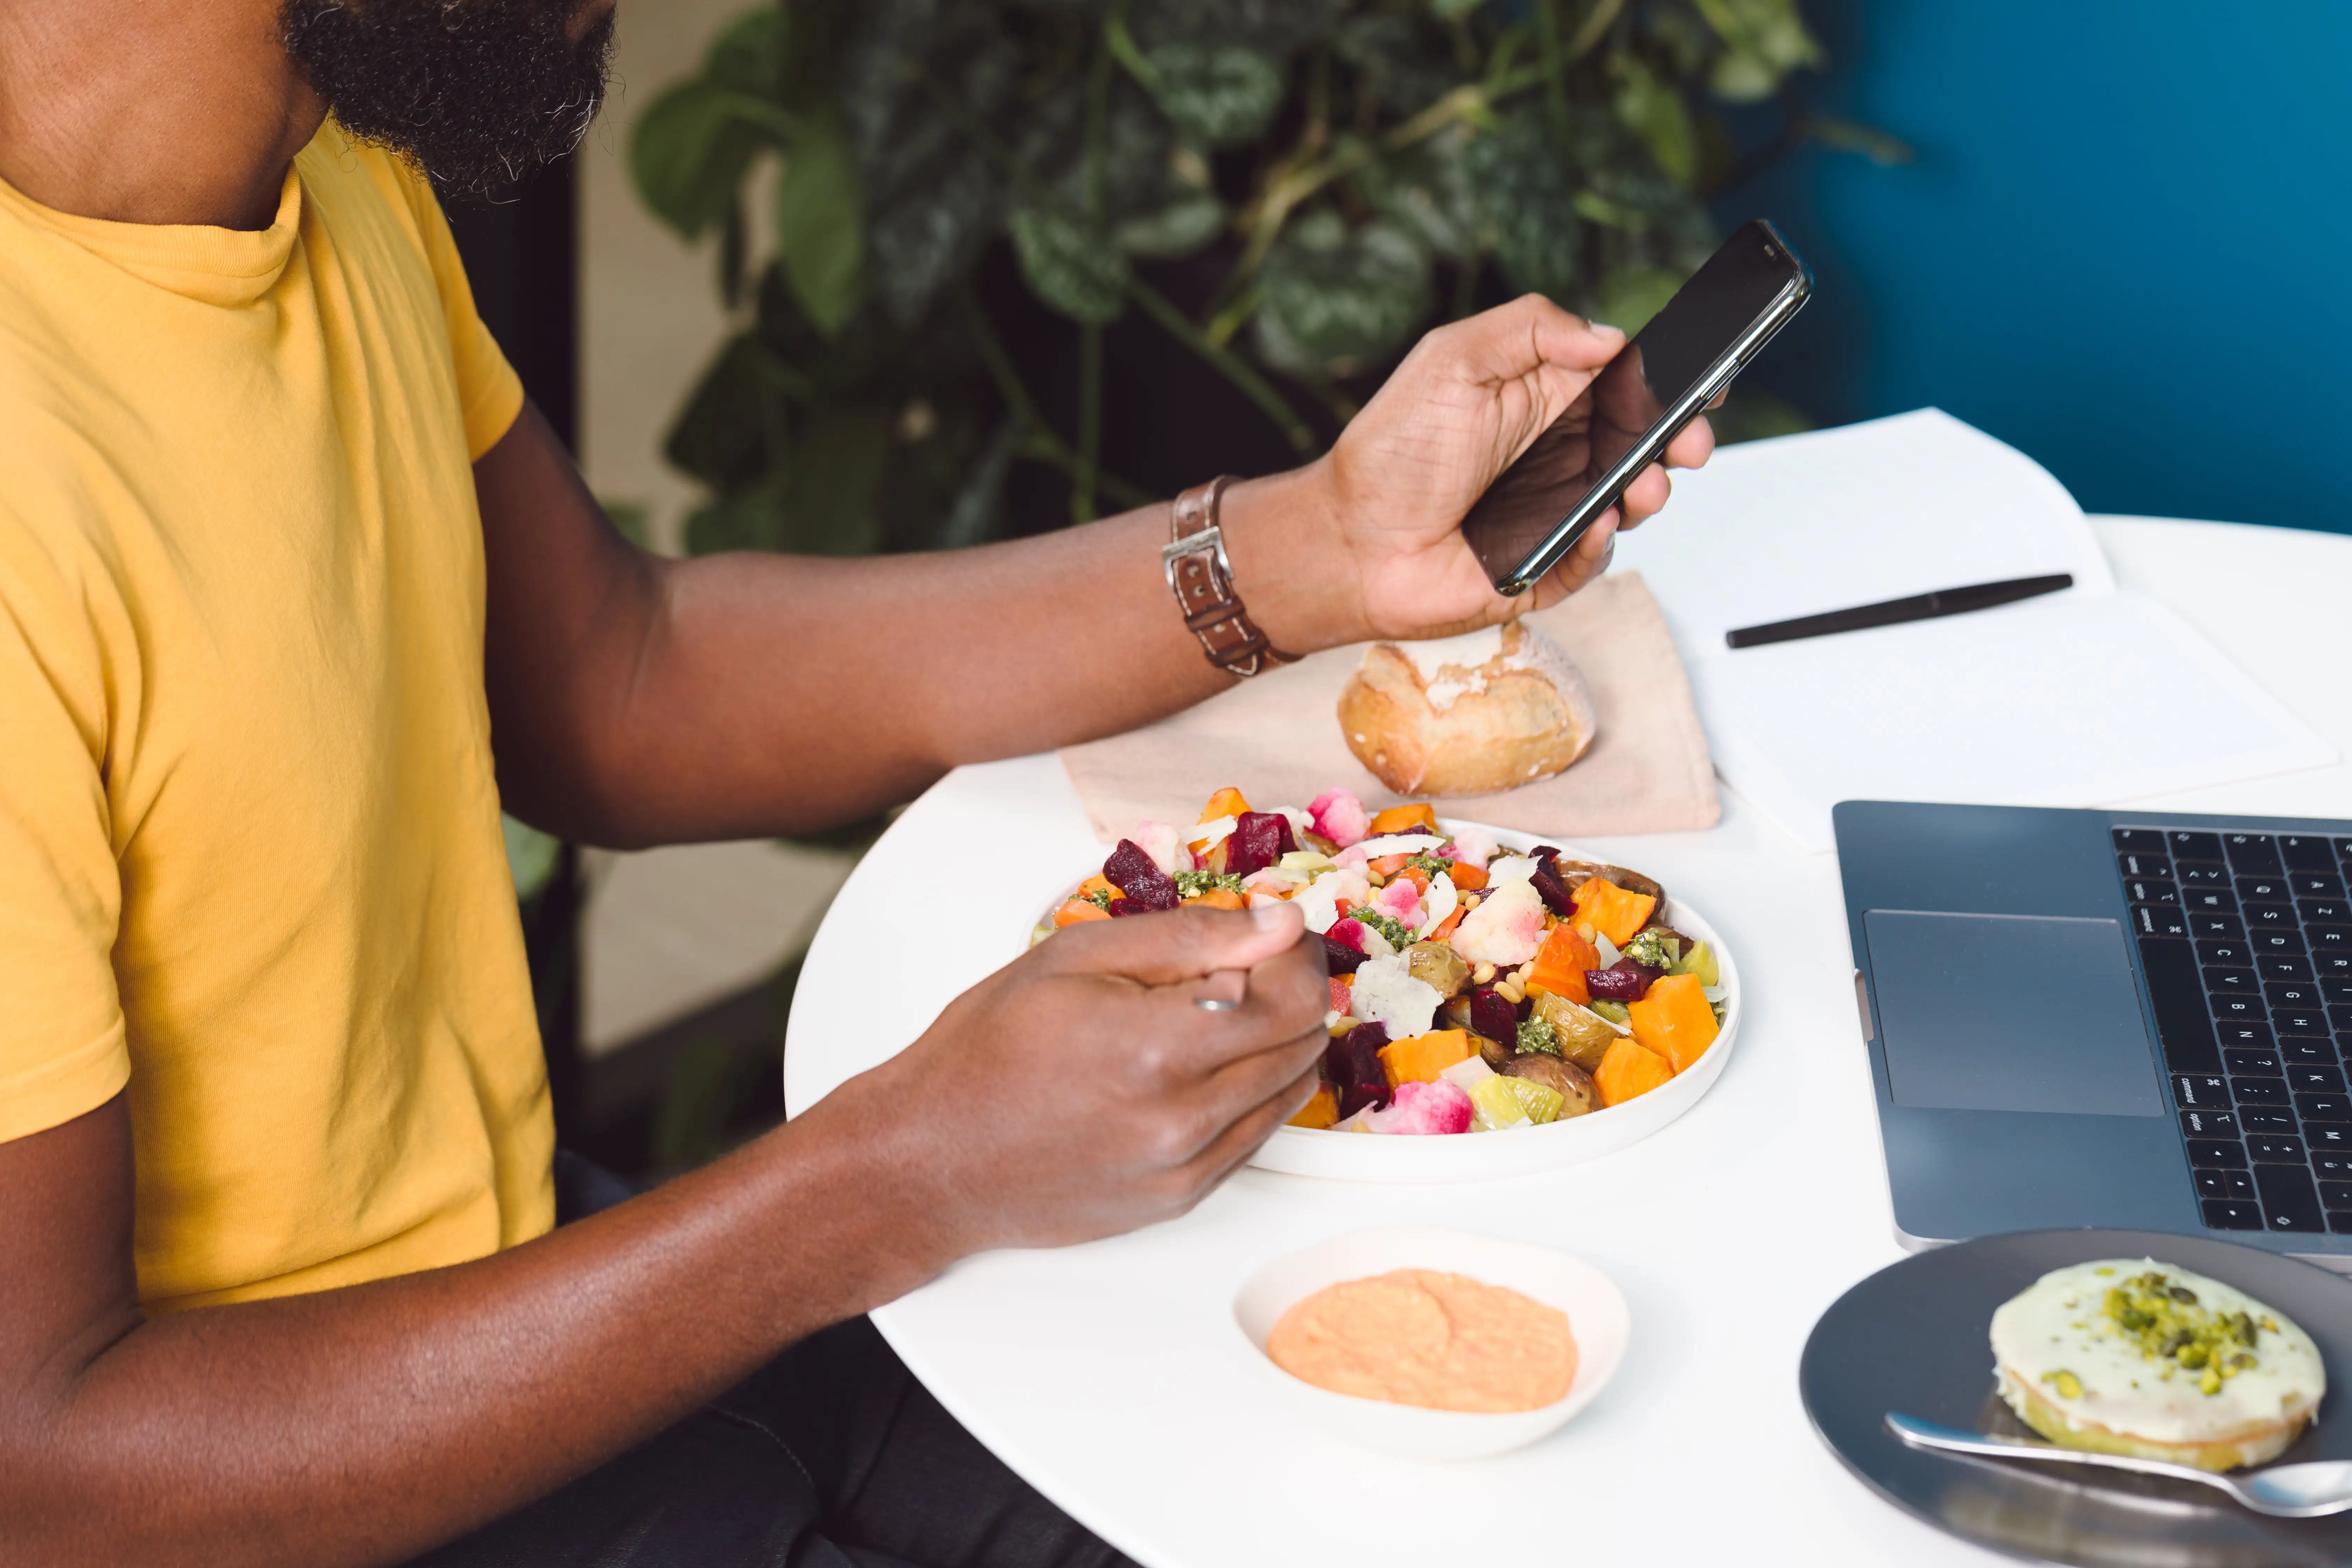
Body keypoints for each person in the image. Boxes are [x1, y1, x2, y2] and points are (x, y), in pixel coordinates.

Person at [0, 0, 1716, 1563]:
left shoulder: (315, 152)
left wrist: (1321, 547)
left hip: (555, 1306)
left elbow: (618, 682)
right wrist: (885, 1181)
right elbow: (47, 1462)